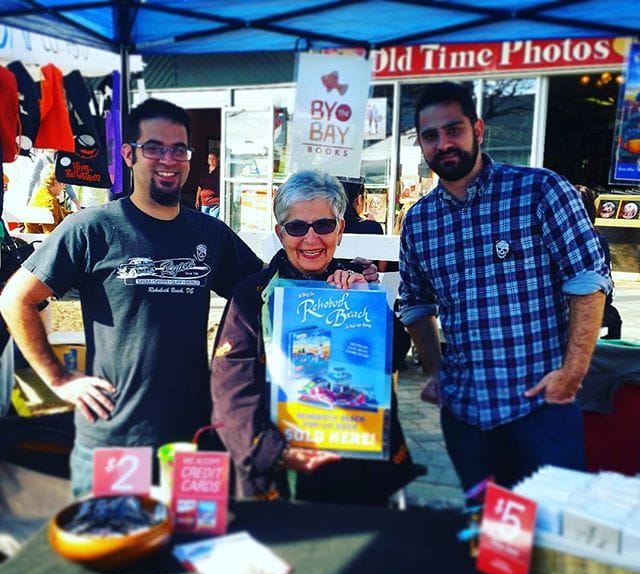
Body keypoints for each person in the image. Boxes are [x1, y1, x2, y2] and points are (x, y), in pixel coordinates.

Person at [0, 99, 378, 497]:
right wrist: (58, 378)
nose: (168, 158)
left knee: (191, 548)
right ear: (129, 154)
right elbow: (16, 299)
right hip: (113, 437)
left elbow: (278, 285)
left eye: (179, 148)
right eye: (154, 147)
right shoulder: (92, 228)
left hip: (193, 435)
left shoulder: (209, 234)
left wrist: (347, 277)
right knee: (113, 545)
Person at [398, 82, 611, 494]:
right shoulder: (420, 221)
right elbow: (416, 304)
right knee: (493, 539)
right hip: (467, 418)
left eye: (454, 129)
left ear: (478, 129)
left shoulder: (541, 191)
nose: (443, 143)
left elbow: (588, 279)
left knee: (552, 533)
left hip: (541, 409)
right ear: (421, 144)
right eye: (430, 135)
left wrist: (573, 373)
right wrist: (436, 373)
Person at [211, 170, 416, 506]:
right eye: (296, 227)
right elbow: (230, 389)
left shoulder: (356, 285)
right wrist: (273, 452)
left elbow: (395, 354)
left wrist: (367, 303)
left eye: (323, 225)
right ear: (280, 233)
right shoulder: (253, 295)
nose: (311, 239)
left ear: (340, 229)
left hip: (357, 469)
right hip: (283, 473)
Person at [575, 184, 622, 340]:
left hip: (562, 305)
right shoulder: (598, 240)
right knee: (614, 319)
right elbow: (605, 278)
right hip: (589, 305)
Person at [23, 164, 73, 234]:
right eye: (64, 183)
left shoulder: (40, 194)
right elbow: (50, 234)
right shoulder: (49, 202)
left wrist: (77, 214)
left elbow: (60, 211)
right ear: (56, 183)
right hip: (40, 241)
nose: (64, 187)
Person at [195, 149, 220, 218]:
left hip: (215, 202)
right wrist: (197, 199)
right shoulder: (205, 171)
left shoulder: (219, 172)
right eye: (209, 159)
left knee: (213, 222)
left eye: (213, 159)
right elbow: (200, 186)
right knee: (204, 222)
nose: (211, 161)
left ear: (217, 159)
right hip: (204, 202)